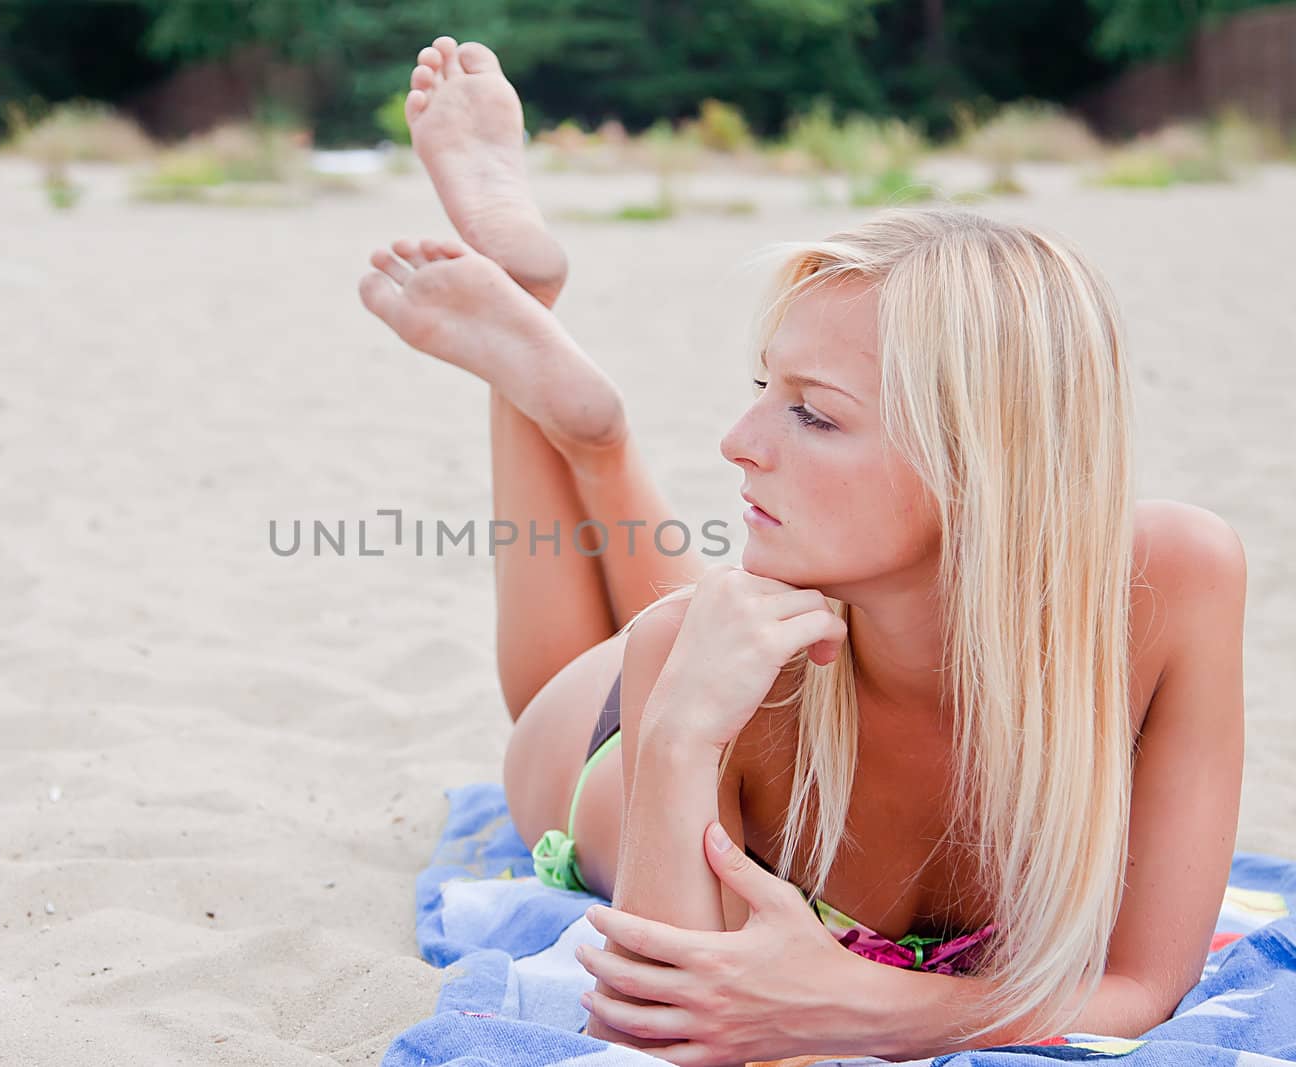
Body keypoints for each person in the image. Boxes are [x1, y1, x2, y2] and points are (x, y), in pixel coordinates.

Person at [359, 36, 1247, 1066]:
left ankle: (593, 429)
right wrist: (679, 731)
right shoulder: (679, 652)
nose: (738, 443)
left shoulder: (1169, 584)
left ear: (983, 465)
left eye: (812, 416)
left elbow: (1141, 984)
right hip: (624, 730)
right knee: (592, 669)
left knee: (714, 620)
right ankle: (555, 378)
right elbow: (658, 1030)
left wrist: (863, 1005)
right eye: (760, 390)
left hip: (747, 649)